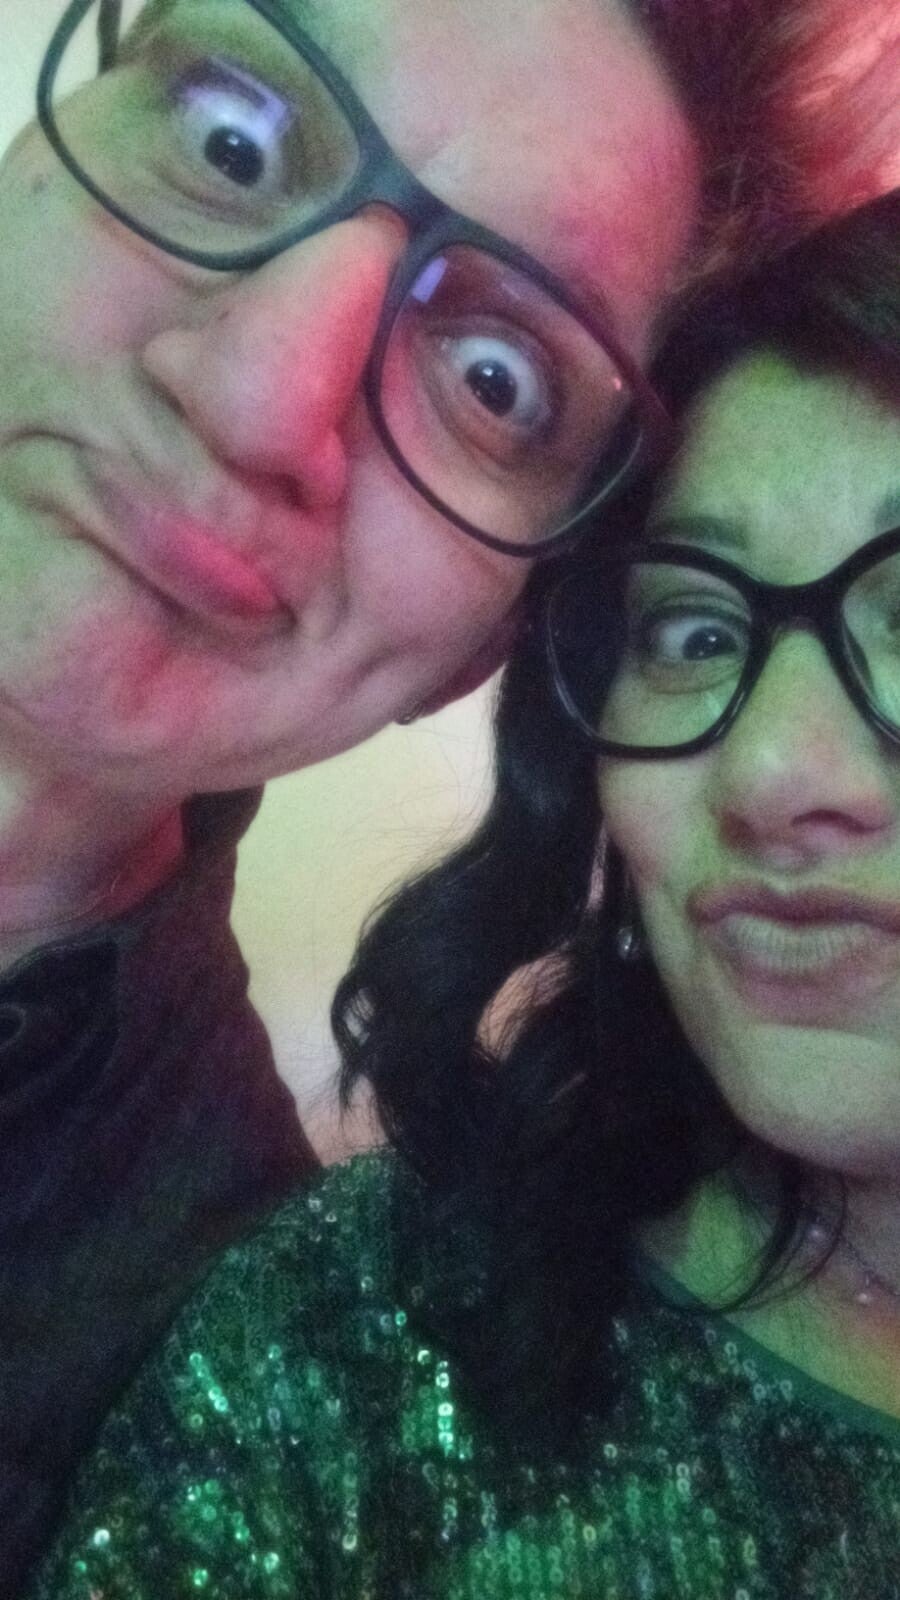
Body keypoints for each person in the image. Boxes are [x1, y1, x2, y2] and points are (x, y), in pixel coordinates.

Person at [2, 0, 896, 1591]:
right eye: (231, 140)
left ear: (493, 642)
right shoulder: (339, 1365)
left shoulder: (192, 1281)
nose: (258, 396)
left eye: (495, 377)